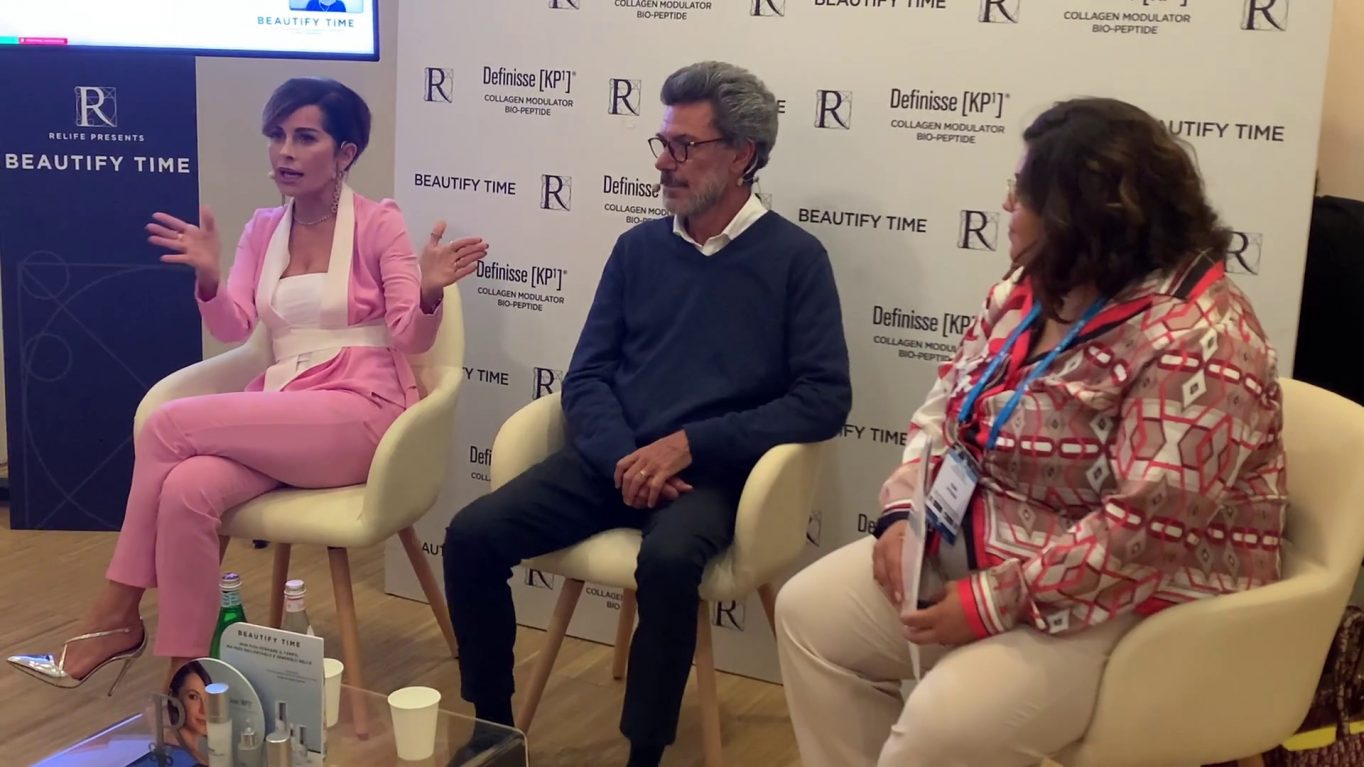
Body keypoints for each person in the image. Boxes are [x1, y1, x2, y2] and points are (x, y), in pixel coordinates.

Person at [775, 97, 1287, 767]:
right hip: (989, 543)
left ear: (1083, 216)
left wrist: (991, 602)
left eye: (1024, 193)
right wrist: (902, 515)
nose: (1007, 205)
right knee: (810, 616)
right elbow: (947, 409)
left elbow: (1143, 533)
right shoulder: (1035, 287)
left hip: (1138, 600)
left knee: (940, 729)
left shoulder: (1200, 338)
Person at [8, 77, 487, 692]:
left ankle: (115, 613)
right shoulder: (263, 228)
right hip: (285, 409)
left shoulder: (379, 223)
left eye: (305, 137)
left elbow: (410, 337)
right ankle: (187, 679)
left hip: (361, 411)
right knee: (186, 489)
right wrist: (210, 279)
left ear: (345, 152)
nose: (285, 151)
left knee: (168, 424)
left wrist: (428, 291)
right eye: (277, 136)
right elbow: (235, 325)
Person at [442, 61, 851, 767]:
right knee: (470, 535)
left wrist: (689, 445)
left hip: (710, 475)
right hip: (613, 457)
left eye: (685, 146)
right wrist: (625, 459)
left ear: (743, 155)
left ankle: (644, 755)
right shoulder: (638, 249)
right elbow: (587, 375)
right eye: (663, 143)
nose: (665, 161)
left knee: (667, 561)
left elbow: (822, 397)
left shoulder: (795, 259)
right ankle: (495, 731)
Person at [169, 661, 211, 764]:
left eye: (208, 698)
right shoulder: (176, 756)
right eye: (193, 697)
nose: (204, 710)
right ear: (174, 698)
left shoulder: (198, 757)